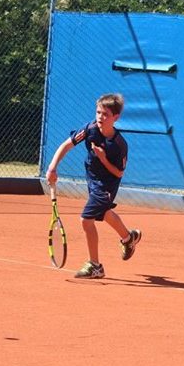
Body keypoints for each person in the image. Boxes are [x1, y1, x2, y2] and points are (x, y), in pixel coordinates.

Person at [46, 93, 141, 279]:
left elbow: (119, 173)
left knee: (86, 219)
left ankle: (95, 266)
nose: (100, 117)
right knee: (103, 213)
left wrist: (103, 158)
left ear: (115, 118)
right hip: (92, 178)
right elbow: (66, 145)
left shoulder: (119, 145)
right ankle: (128, 238)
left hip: (107, 184)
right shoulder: (90, 129)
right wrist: (52, 167)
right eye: (98, 112)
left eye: (105, 114)